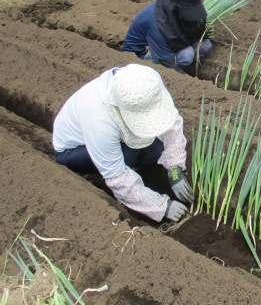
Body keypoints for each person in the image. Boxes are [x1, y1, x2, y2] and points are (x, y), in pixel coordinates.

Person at [52, 63, 194, 222]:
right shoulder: (99, 122)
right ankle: (121, 188)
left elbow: (171, 124)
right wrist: (162, 206)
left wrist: (174, 169)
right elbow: (117, 177)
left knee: (155, 152)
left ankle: (139, 175)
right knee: (128, 155)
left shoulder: (147, 83)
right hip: (74, 151)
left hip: (110, 138)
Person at [123, 0, 212, 73]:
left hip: (168, 41)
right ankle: (171, 65)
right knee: (187, 55)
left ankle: (188, 65)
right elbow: (168, 64)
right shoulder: (156, 23)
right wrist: (189, 81)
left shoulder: (176, 7)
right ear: (177, 6)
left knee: (205, 46)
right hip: (141, 54)